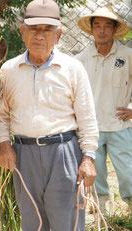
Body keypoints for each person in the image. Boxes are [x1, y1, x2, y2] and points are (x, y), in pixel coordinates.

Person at [0, 0, 99, 230]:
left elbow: (87, 117)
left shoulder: (72, 68)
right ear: (23, 32)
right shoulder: (8, 70)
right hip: (24, 155)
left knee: (67, 223)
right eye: (33, 29)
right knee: (32, 223)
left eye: (47, 30)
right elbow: (1, 116)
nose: (39, 36)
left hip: (64, 154)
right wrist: (3, 144)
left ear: (58, 35)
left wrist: (88, 158)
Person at [75, 5, 132, 214]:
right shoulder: (80, 60)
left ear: (115, 29)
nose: (102, 30)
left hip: (121, 125)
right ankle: (103, 211)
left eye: (107, 26)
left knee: (128, 171)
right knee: (96, 172)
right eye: (97, 26)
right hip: (92, 129)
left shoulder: (127, 55)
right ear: (91, 30)